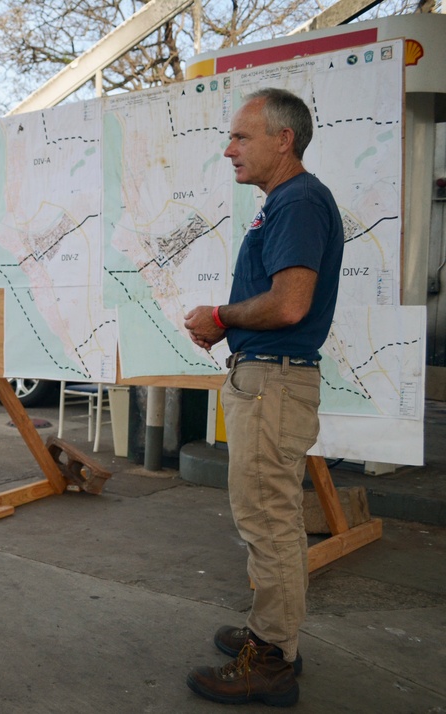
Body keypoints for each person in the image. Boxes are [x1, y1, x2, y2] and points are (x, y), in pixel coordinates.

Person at [182, 87, 343, 707]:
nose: (229, 150)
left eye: (241, 137)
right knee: (264, 517)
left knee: (270, 521)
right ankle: (267, 633)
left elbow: (290, 303)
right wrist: (231, 329)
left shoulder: (298, 199)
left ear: (284, 139)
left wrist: (221, 316)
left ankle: (272, 660)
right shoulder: (288, 201)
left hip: (274, 382)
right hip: (266, 375)